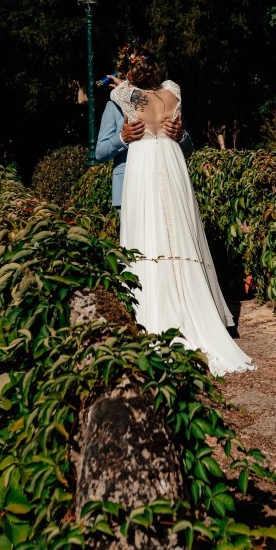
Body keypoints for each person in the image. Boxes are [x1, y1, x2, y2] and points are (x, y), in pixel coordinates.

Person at [107, 43, 255, 377]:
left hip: (144, 169)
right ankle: (193, 308)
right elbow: (109, 143)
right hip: (172, 167)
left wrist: (122, 84)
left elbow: (139, 101)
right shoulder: (173, 90)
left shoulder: (123, 95)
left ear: (130, 71)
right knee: (180, 233)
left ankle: (153, 314)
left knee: (148, 233)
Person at [95, 68, 193, 208]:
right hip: (129, 190)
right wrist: (122, 138)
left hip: (167, 187)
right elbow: (100, 153)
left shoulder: (168, 103)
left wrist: (181, 136)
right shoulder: (114, 106)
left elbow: (188, 152)